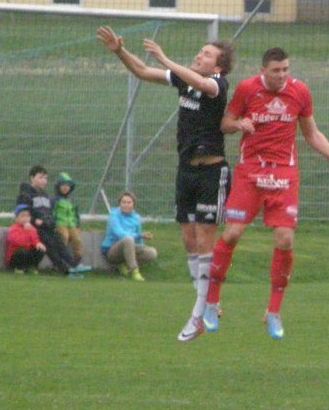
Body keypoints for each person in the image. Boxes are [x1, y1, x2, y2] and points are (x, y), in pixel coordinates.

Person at [203, 47, 329, 340]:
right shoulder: (247, 89)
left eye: (286, 70)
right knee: (232, 234)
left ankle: (274, 311)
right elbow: (225, 123)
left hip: (284, 174)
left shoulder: (300, 92)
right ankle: (212, 302)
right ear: (263, 70)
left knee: (285, 239)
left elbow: (312, 134)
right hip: (251, 171)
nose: (282, 75)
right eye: (276, 70)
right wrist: (239, 124)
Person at [97, 26, 233, 341]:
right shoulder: (185, 81)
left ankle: (200, 314)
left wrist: (165, 58)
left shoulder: (217, 84)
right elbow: (143, 71)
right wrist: (120, 52)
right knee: (189, 241)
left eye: (207, 54)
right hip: (186, 171)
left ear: (219, 66)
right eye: (201, 51)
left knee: (205, 241)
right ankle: (208, 303)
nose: (200, 55)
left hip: (211, 172)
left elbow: (201, 83)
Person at [16, 166, 90, 277]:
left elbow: (49, 213)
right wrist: (33, 220)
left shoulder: (45, 195)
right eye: (41, 177)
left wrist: (51, 222)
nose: (44, 181)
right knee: (49, 243)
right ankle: (65, 270)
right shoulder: (25, 195)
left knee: (59, 241)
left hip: (46, 226)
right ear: (32, 178)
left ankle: (73, 265)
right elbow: (22, 213)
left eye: (45, 178)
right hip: (34, 227)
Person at [102, 192, 157, 282]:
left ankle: (125, 266)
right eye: (123, 202)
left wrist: (142, 240)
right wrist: (139, 235)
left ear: (133, 205)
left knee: (152, 252)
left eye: (129, 202)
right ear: (119, 204)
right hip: (113, 251)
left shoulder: (136, 218)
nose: (126, 205)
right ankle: (134, 271)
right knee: (128, 239)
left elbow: (139, 239)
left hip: (130, 247)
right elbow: (119, 233)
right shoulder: (114, 215)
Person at [53, 172, 84, 264]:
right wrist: (53, 225)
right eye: (63, 185)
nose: (65, 187)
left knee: (77, 239)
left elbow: (76, 214)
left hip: (71, 225)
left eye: (68, 185)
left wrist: (77, 226)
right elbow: (52, 213)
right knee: (64, 237)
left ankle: (77, 261)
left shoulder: (72, 200)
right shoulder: (55, 200)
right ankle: (60, 261)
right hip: (60, 224)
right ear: (58, 186)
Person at [6, 204, 47, 273]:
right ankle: (18, 267)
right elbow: (19, 243)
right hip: (16, 256)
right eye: (23, 216)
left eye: (28, 216)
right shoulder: (14, 229)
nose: (26, 218)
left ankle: (31, 266)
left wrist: (38, 244)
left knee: (40, 249)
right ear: (16, 218)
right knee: (23, 252)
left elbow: (35, 239)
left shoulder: (32, 228)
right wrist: (26, 231)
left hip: (28, 253)